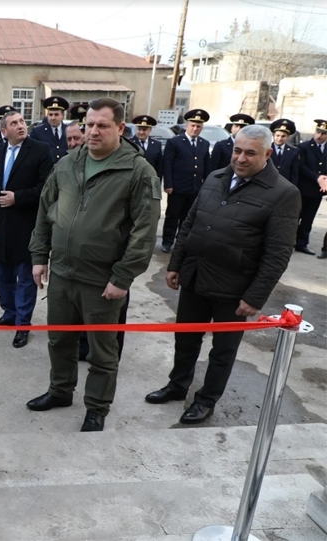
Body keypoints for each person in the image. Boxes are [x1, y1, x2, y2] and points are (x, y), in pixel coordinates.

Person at [145, 125, 300, 424]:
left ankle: (206, 400)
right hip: (195, 276)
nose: (241, 158)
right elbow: (190, 223)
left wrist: (255, 297)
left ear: (268, 154)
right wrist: (175, 264)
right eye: (237, 150)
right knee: (186, 339)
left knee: (222, 350)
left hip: (234, 288)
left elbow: (278, 253)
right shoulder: (216, 177)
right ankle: (177, 385)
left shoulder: (284, 193)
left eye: (250, 153)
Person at [27, 97, 161, 432]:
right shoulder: (68, 163)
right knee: (60, 340)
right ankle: (60, 391)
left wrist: (123, 277)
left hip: (102, 280)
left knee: (102, 351)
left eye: (102, 125)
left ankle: (97, 407)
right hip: (62, 274)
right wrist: (39, 256)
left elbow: (144, 232)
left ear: (120, 128)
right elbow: (45, 211)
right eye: (89, 125)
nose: (93, 132)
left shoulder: (138, 171)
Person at [0, 111, 52, 348]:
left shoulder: (40, 150)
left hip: (27, 226)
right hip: (1, 226)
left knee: (26, 278)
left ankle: (23, 324)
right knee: (4, 276)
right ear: (4, 131)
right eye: (14, 123)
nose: (21, 125)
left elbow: (46, 188)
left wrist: (17, 198)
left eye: (22, 121)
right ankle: (9, 314)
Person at [161, 109, 212, 253]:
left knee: (188, 217)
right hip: (177, 187)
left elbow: (206, 166)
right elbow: (168, 164)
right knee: (173, 216)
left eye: (198, 126)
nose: (195, 128)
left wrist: (206, 185)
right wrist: (168, 184)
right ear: (186, 126)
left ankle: (181, 242)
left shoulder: (204, 143)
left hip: (194, 187)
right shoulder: (175, 142)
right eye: (192, 125)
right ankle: (167, 241)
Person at [294, 119, 327, 255]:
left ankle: (302, 244)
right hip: (303, 187)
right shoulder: (304, 147)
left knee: (308, 218)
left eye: (323, 133)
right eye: (318, 132)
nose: (319, 135)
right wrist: (317, 177)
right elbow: (301, 166)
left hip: (318, 190)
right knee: (295, 216)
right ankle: (289, 241)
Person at [30, 96, 69, 164]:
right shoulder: (37, 132)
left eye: (56, 115)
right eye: (50, 115)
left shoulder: (69, 131)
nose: (53, 118)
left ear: (63, 115)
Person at [269, 118, 299, 186]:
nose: (280, 139)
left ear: (288, 137)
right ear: (273, 135)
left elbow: (294, 173)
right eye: (277, 135)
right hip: (268, 184)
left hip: (284, 186)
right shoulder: (266, 149)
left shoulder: (293, 152)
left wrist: (293, 188)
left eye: (283, 136)